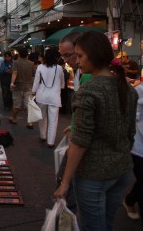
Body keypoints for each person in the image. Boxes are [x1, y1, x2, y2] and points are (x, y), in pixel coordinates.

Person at [53, 31, 138, 231]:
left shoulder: (89, 91)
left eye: (80, 56)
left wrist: (65, 182)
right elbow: (130, 133)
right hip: (121, 170)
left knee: (94, 226)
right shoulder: (128, 88)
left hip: (94, 174)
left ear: (94, 54)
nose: (77, 61)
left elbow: (80, 141)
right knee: (107, 223)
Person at [57, 31, 93, 212]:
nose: (70, 61)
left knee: (68, 185)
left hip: (83, 142)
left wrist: (64, 182)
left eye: (71, 55)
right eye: (63, 56)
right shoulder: (81, 73)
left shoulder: (89, 77)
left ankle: (66, 218)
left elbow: (88, 121)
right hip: (79, 135)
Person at [31, 48, 65, 147]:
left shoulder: (40, 67)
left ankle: (42, 136)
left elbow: (36, 82)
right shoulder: (59, 68)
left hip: (41, 96)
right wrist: (60, 86)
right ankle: (51, 142)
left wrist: (33, 92)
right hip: (54, 97)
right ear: (56, 57)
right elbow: (62, 82)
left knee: (42, 118)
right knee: (53, 120)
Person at [122, 81, 143, 223]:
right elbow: (128, 113)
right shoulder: (139, 90)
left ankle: (130, 199)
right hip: (139, 146)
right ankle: (130, 201)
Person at [9, 48, 34, 128]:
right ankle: (30, 122)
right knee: (28, 105)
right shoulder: (31, 63)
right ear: (27, 54)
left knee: (17, 104)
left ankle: (14, 119)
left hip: (18, 86)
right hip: (28, 86)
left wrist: (12, 83)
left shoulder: (16, 62)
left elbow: (15, 73)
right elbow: (33, 75)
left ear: (19, 54)